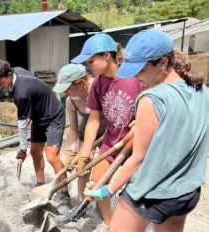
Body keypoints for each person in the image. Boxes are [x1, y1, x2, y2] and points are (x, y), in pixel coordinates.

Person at [84, 30, 209, 232]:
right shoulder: (202, 90)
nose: (135, 76)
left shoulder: (151, 99)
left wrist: (109, 190)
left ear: (163, 63)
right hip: (187, 192)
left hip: (153, 192)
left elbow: (138, 159)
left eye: (140, 70)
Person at [71, 33, 142, 232]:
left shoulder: (135, 77)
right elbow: (93, 121)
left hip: (136, 145)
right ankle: (109, 222)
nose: (88, 66)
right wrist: (84, 153)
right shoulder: (98, 83)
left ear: (107, 55)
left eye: (92, 60)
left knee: (135, 191)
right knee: (96, 185)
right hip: (112, 142)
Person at [0, 60, 71, 214]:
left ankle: (65, 194)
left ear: (9, 74)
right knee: (35, 152)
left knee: (52, 156)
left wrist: (22, 149)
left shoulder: (21, 94)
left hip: (53, 115)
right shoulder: (17, 70)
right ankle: (40, 185)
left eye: (0, 83)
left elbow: (22, 124)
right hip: (38, 114)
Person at [53, 63, 107, 202]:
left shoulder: (100, 87)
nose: (65, 93)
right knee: (83, 167)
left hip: (109, 129)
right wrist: (72, 152)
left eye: (67, 88)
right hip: (87, 129)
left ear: (80, 82)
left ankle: (101, 203)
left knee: (103, 168)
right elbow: (73, 128)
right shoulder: (71, 101)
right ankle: (82, 201)